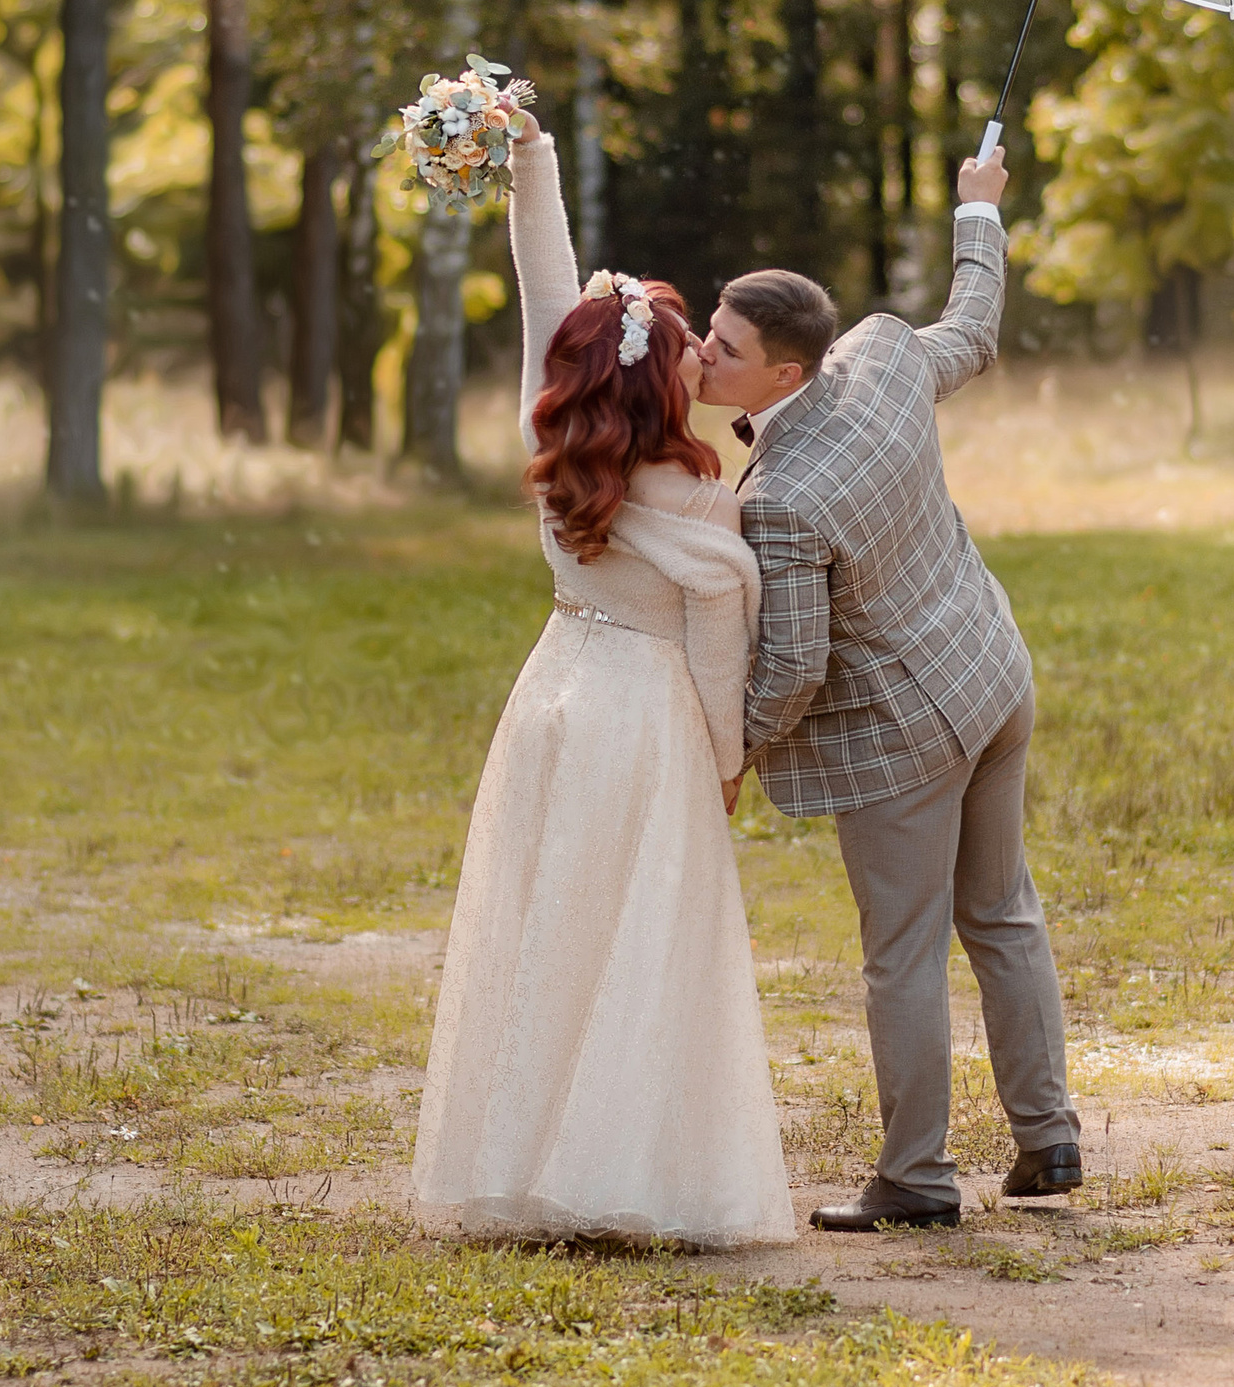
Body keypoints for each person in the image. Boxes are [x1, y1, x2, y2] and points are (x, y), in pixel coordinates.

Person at [410, 119, 795, 1247]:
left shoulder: (560, 446)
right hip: (652, 722)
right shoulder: (701, 501)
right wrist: (727, 761)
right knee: (643, 940)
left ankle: (517, 1163)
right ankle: (625, 1166)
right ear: (661, 383)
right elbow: (718, 649)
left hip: (555, 696)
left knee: (545, 930)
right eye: (690, 352)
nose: (701, 361)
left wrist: (528, 153)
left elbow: (543, 276)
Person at [699, 150, 1079, 1231]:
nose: (702, 355)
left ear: (782, 374)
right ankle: (1047, 1139)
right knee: (1002, 913)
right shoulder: (877, 353)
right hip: (991, 672)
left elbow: (792, 669)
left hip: (905, 735)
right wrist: (979, 206)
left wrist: (724, 752)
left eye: (724, 348)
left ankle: (916, 1176)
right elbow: (972, 327)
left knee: (901, 952)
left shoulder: (783, 496)